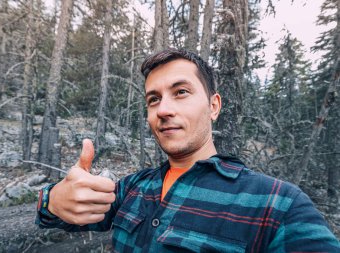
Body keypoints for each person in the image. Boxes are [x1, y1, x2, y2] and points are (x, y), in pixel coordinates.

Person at [36, 48, 340, 252]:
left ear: (213, 106)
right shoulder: (132, 188)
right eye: (153, 99)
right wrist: (54, 199)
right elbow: (57, 214)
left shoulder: (277, 204)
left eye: (181, 92)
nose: (163, 109)